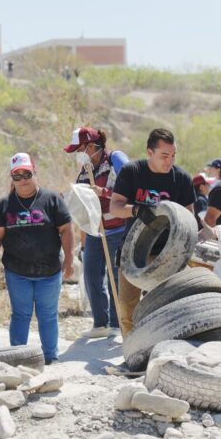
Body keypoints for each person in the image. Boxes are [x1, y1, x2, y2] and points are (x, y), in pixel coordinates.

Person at [0, 153, 74, 364]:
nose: (23, 179)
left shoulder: (52, 200)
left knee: (48, 315)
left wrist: (69, 258)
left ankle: (50, 357)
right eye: (17, 175)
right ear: (12, 178)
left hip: (49, 271)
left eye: (27, 174)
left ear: (35, 173)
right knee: (21, 314)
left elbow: (66, 229)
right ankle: (18, 358)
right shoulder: (4, 205)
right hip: (17, 272)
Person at [110, 128, 195, 336]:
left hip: (169, 254)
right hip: (133, 253)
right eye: (164, 155)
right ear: (150, 152)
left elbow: (189, 216)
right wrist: (136, 210)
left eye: (173, 155)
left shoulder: (181, 178)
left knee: (170, 308)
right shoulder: (132, 172)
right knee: (127, 311)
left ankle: (164, 348)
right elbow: (115, 207)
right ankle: (131, 350)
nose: (169, 161)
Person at [64, 127, 128, 339]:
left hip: (118, 229)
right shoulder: (85, 171)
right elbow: (83, 206)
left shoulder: (116, 160)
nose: (78, 154)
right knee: (91, 275)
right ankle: (100, 323)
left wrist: (105, 193)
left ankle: (117, 323)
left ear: (91, 146)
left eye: (79, 149)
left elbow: (131, 187)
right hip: (95, 231)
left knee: (115, 277)